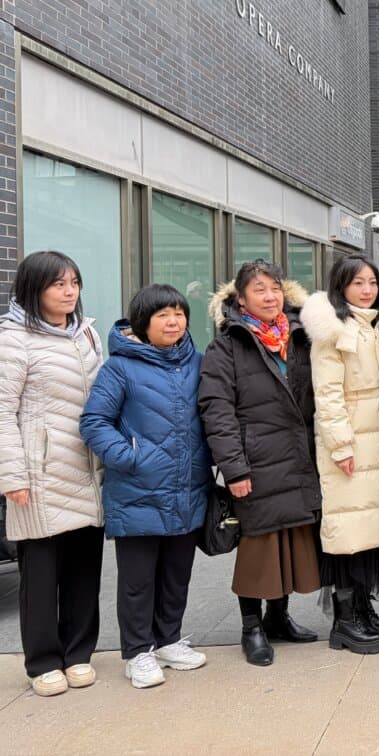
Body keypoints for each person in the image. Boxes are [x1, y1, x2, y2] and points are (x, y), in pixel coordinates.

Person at [80, 284, 212, 688]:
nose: (173, 321)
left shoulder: (198, 363)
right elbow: (94, 422)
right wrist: (132, 458)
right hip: (138, 490)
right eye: (162, 315)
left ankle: (168, 639)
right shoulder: (120, 367)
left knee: (177, 574)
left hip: (187, 487)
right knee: (137, 580)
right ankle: (138, 652)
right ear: (143, 322)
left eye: (178, 313)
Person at [199, 260, 322, 667]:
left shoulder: (300, 336)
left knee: (289, 540)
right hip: (256, 461)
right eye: (259, 290)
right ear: (240, 299)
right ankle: (251, 626)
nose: (270, 297)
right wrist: (234, 469)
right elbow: (217, 411)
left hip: (296, 456)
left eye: (274, 288)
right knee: (258, 548)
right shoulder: (228, 346)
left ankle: (278, 618)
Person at [0, 252, 103, 697]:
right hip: (38, 475)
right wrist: (12, 475)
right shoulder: (13, 339)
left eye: (74, 283)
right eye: (58, 284)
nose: (69, 292)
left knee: (85, 568)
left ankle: (78, 652)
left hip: (87, 468)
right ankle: (42, 660)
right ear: (33, 289)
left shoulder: (87, 334)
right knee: (40, 574)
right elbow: (3, 411)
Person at [300, 254, 379, 655]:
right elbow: (327, 393)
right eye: (358, 283)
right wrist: (340, 445)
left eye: (372, 282)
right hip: (350, 445)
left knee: (372, 529)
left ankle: (363, 606)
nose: (367, 289)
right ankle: (344, 618)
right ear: (340, 286)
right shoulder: (332, 328)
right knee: (346, 531)